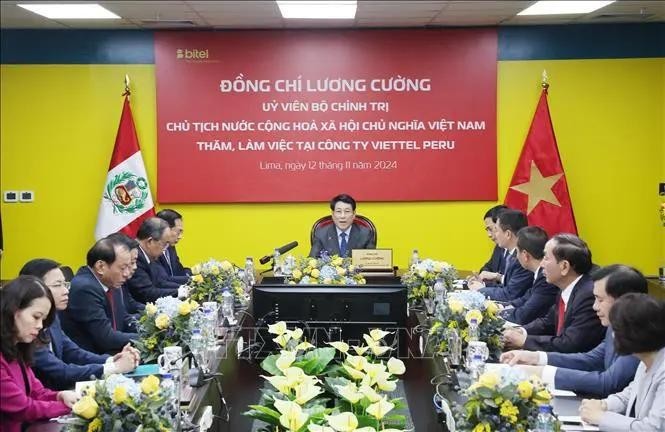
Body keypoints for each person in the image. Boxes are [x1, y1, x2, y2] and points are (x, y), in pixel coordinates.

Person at [501, 265, 647, 398]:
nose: (595, 307)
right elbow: (592, 360)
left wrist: (542, 373)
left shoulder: (641, 335)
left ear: (624, 301)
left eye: (600, 300)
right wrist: (534, 357)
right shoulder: (615, 325)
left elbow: (608, 383)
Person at [19, 258, 138, 390]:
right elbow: (60, 370)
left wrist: (111, 360)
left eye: (65, 284)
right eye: (58, 285)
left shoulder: (52, 318)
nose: (66, 291)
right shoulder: (27, 328)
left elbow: (72, 352)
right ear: (34, 289)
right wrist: (112, 368)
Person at [503, 233, 605, 353]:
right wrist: (520, 331)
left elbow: (569, 344)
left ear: (564, 266)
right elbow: (549, 322)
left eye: (546, 258)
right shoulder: (567, 287)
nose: (541, 264)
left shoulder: (588, 295)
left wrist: (525, 341)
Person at [0, 276, 79, 431]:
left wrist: (59, 395)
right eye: (36, 317)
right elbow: (23, 408)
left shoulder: (17, 349)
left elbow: (37, 392)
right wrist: (70, 407)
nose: (40, 326)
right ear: (13, 310)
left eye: (43, 319)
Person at [579, 293, 665, 431]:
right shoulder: (645, 358)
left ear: (635, 333)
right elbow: (628, 395)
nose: (613, 335)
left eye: (617, 330)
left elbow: (653, 428)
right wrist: (603, 405)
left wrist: (601, 417)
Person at [61, 237, 137, 354]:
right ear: (101, 267)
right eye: (123, 268)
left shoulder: (111, 282)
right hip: (94, 360)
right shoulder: (85, 288)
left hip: (115, 353)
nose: (127, 273)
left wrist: (154, 329)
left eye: (129, 266)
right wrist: (147, 339)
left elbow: (124, 319)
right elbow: (106, 338)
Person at [469, 209, 534, 302]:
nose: (494, 235)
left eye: (496, 230)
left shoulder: (522, 258)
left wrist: (480, 289)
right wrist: (484, 286)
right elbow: (506, 286)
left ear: (508, 234)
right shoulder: (511, 254)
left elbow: (509, 294)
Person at [499, 226, 559, 325]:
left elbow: (523, 315)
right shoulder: (539, 275)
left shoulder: (545, 279)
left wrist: (497, 314)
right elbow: (524, 300)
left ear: (525, 255)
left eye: (517, 252)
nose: (516, 257)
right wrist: (498, 307)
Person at [125, 217, 186, 303]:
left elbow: (161, 282)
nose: (165, 249)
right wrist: (179, 292)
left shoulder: (150, 256)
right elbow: (147, 293)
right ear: (150, 241)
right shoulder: (135, 258)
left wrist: (185, 288)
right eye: (164, 244)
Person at [309, 194, 376, 258]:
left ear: (354, 214)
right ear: (332, 214)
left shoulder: (365, 234)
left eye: (347, 211)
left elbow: (372, 262)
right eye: (338, 211)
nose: (342, 216)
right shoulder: (321, 234)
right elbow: (312, 260)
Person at [106, 232, 145, 318]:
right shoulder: (103, 284)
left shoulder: (120, 279)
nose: (135, 267)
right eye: (131, 262)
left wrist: (151, 312)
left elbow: (130, 303)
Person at [156, 208, 190, 284]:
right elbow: (163, 280)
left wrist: (199, 272)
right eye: (178, 231)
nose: (180, 236)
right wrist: (193, 279)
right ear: (166, 229)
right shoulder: (152, 250)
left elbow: (179, 271)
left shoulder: (170, 247)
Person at [478, 204, 508, 274]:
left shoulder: (520, 253)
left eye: (491, 229)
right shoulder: (499, 247)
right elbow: (487, 267)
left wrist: (495, 277)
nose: (489, 235)